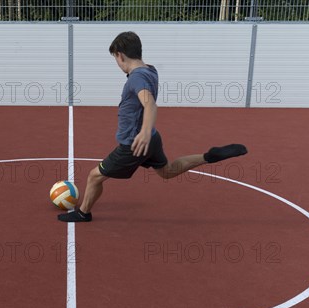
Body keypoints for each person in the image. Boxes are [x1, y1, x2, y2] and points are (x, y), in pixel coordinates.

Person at [58, 31, 247, 223]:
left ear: (120, 55)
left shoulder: (136, 78)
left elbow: (149, 104)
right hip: (153, 140)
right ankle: (208, 156)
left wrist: (145, 132)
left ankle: (83, 213)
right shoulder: (150, 70)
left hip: (135, 144)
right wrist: (149, 133)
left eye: (115, 58)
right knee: (168, 171)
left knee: (94, 176)